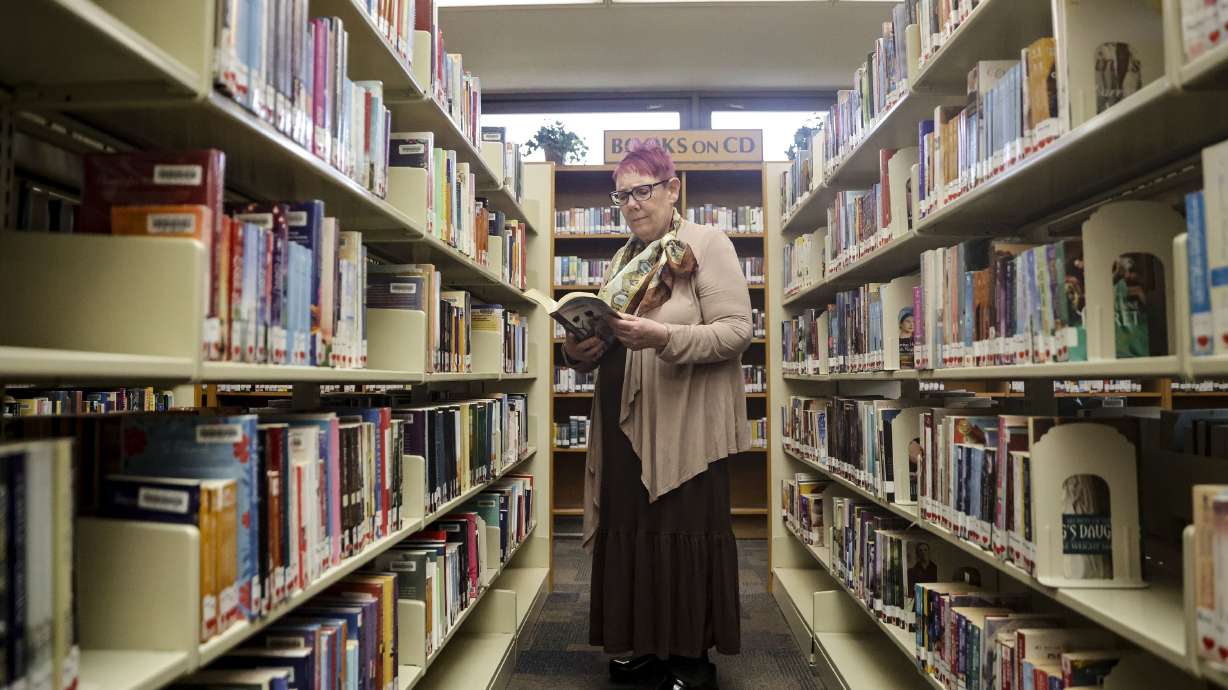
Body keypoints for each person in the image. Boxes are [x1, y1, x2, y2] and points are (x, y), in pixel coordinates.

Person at [561, 141, 752, 690]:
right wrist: (578, 351)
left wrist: (662, 336)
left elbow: (737, 332)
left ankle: (689, 656)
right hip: (622, 424)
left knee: (681, 530)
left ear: (673, 189)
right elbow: (605, 334)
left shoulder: (708, 243)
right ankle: (643, 643)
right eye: (621, 195)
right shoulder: (622, 260)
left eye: (643, 191)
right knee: (632, 530)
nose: (631, 204)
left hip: (683, 426)